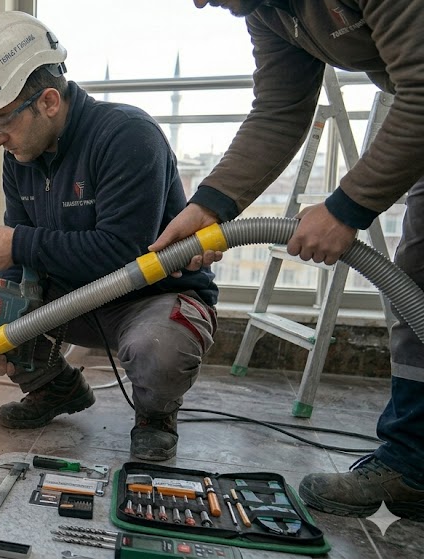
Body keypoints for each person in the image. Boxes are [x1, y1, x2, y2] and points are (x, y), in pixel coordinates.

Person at [151, 1, 424, 520]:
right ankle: (414, 463)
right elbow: (279, 109)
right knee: (417, 283)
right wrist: (209, 206)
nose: (200, 2)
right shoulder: (268, 10)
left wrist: (347, 208)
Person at [0, 11, 218, 462]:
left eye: (1, 123)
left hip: (150, 297)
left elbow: (120, 256)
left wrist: (16, 242)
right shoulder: (21, 155)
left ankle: (155, 416)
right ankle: (55, 388)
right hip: (75, 295)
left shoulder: (127, 137)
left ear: (49, 102)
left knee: (158, 348)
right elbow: (24, 260)